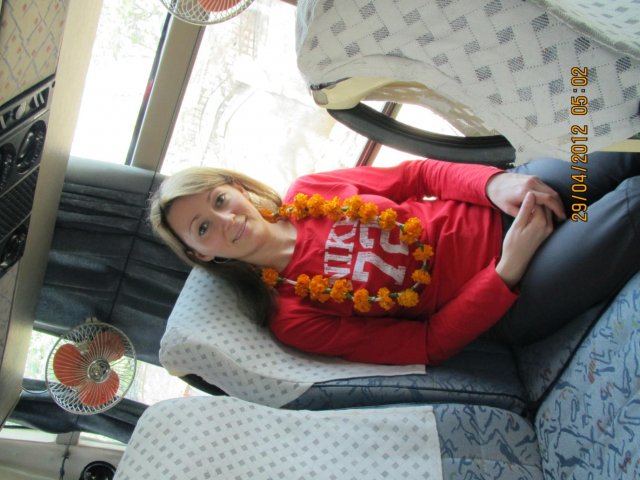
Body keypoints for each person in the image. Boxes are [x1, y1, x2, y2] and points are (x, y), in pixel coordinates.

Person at [149, 151, 640, 365]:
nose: (226, 219)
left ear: (235, 188)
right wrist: (508, 267)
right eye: (204, 228)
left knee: (619, 156)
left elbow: (418, 176)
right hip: (516, 289)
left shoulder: (310, 189)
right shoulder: (292, 317)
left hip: (501, 206)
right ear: (201, 253)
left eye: (219, 200)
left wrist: (495, 183)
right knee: (631, 203)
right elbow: (428, 344)